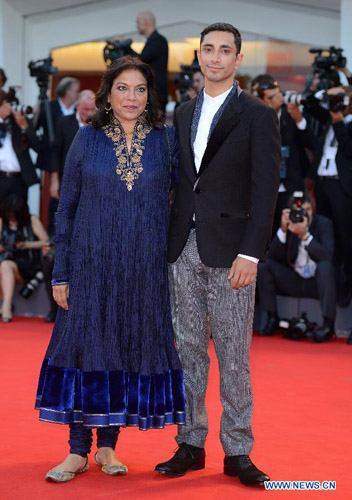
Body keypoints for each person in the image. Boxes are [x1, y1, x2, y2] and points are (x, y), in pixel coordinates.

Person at [35, 56, 186, 483]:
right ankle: (77, 451)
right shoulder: (87, 138)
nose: (132, 97)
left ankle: (107, 448)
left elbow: (183, 203)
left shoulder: (165, 141)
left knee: (123, 348)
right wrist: (60, 270)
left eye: (140, 89)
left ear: (150, 95)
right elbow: (66, 208)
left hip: (143, 268)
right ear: (107, 94)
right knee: (86, 349)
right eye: (123, 88)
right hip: (89, 265)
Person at [155, 23, 281, 487]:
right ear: (199, 55)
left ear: (237, 58)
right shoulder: (182, 111)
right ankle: (190, 442)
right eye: (208, 49)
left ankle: (239, 451)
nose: (215, 57)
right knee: (187, 351)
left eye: (224, 50)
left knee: (233, 354)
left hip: (232, 253)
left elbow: (266, 188)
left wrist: (252, 252)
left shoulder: (257, 115)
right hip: (182, 247)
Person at [42, 90, 96, 323]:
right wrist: (54, 180)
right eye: (85, 110)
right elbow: (54, 153)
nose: (88, 114)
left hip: (93, 194)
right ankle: (56, 306)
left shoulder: (100, 129)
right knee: (58, 247)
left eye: (92, 111)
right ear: (77, 108)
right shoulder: (64, 123)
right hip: (67, 190)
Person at [257, 192, 336, 342]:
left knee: (326, 267)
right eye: (297, 212)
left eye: (306, 210)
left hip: (317, 282)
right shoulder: (290, 225)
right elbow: (272, 257)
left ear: (313, 210)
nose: (301, 216)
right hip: (295, 280)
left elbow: (328, 257)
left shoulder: (323, 224)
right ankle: (272, 318)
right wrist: (283, 230)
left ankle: (328, 324)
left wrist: (305, 235)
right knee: (264, 267)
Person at [256, 78, 317, 234]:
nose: (277, 99)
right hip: (266, 186)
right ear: (262, 100)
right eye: (271, 97)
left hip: (291, 184)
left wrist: (299, 120)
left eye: (278, 94)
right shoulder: (257, 118)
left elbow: (311, 143)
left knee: (292, 227)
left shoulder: (291, 114)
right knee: (266, 230)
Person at [36, 77, 80, 235]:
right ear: (67, 91)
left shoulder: (77, 110)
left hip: (72, 161)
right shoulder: (50, 107)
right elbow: (37, 127)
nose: (77, 93)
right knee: (55, 198)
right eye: (76, 90)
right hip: (54, 159)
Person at [0, 194, 48, 322]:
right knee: (4, 265)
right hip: (7, 260)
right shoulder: (2, 222)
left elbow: (47, 242)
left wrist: (27, 244)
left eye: (15, 216)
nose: (12, 219)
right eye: (9, 215)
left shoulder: (32, 221)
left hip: (28, 265)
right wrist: (4, 246)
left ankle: (6, 306)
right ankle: (6, 304)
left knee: (5, 265)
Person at [0, 90, 41, 204]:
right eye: (5, 103)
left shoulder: (19, 120)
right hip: (1, 176)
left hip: (19, 179)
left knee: (21, 215)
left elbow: (37, 146)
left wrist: (24, 126)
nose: (9, 106)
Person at [126, 11, 168, 111]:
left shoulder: (158, 40)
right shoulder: (153, 40)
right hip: (152, 94)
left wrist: (127, 49)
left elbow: (142, 60)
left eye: (138, 22)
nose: (136, 26)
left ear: (145, 22)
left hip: (156, 95)